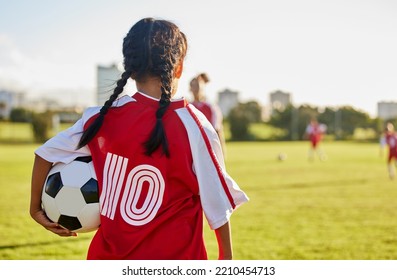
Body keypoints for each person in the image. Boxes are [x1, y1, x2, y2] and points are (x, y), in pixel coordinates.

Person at [30, 17, 248, 260]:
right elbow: (218, 207)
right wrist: (226, 260)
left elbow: (45, 154)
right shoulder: (194, 125)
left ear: (130, 69)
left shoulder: (101, 117)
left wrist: (35, 208)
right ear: (179, 68)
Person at [189, 73, 226, 155]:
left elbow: (216, 130)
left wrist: (220, 152)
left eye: (198, 86)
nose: (196, 89)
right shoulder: (187, 107)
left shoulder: (211, 107)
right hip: (192, 149)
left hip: (208, 149)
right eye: (193, 86)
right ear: (190, 88)